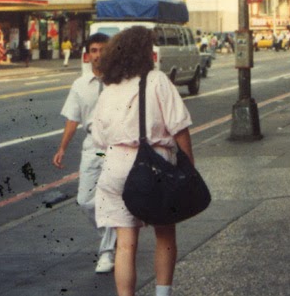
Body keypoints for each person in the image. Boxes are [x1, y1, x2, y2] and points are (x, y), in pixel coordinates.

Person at [91, 26, 195, 296]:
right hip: (153, 165)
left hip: (114, 166)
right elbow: (180, 127)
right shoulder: (157, 80)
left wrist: (111, 161)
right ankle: (162, 294)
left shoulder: (109, 88)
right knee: (164, 234)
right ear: (143, 53)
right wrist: (189, 168)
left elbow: (99, 142)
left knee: (125, 244)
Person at [52, 33, 118, 274]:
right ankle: (113, 234)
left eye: (102, 50)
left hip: (116, 147)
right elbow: (73, 118)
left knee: (111, 195)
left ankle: (107, 252)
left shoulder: (120, 81)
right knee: (85, 201)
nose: (98, 55)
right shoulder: (80, 85)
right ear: (87, 54)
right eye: (94, 50)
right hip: (94, 149)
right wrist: (62, 148)